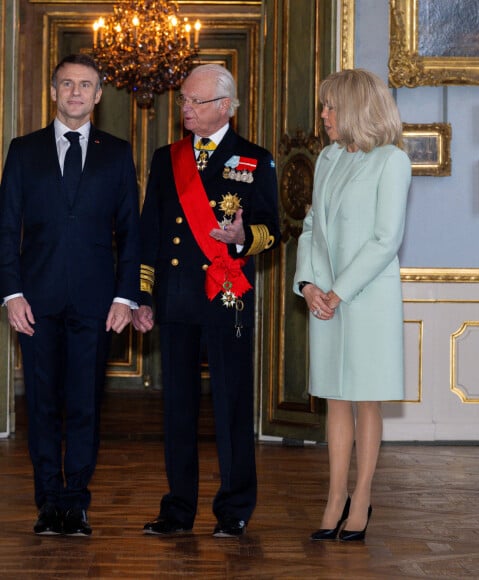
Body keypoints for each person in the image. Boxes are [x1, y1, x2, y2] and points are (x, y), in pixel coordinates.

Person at [133, 64, 280, 538]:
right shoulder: (166, 157)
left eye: (195, 102)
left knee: (231, 406)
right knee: (177, 409)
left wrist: (241, 239)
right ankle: (178, 509)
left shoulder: (254, 160)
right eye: (183, 101)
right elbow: (150, 232)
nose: (185, 109)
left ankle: (234, 509)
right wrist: (144, 294)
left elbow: (273, 231)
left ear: (225, 107)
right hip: (176, 301)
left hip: (227, 298)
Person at [0, 54, 141, 536]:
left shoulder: (118, 153)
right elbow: (5, 230)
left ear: (99, 95)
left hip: (97, 305)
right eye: (66, 84)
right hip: (34, 303)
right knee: (41, 405)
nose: (75, 92)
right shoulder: (23, 150)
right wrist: (11, 292)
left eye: (85, 85)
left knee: (84, 404)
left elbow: (131, 231)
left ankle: (76, 502)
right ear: (53, 91)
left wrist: (126, 298)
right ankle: (47, 503)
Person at [294, 69, 411, 542]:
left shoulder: (392, 162)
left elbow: (386, 240)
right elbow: (308, 227)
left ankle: (361, 496)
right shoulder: (326, 158)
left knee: (366, 397)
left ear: (358, 108)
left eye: (331, 106)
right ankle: (334, 496)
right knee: (334, 398)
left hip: (365, 300)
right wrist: (308, 286)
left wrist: (338, 292)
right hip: (325, 299)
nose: (323, 115)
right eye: (324, 106)